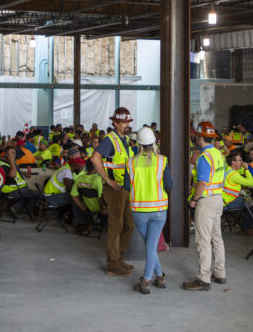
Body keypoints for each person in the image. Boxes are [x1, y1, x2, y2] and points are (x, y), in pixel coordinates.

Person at [125, 126, 173, 295]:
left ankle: (146, 280)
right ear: (154, 142)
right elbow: (170, 185)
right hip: (159, 210)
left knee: (150, 245)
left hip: (139, 210)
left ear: (137, 143)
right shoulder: (162, 160)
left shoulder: (130, 162)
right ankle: (159, 276)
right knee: (151, 246)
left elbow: (125, 186)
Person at [90, 107, 136, 276]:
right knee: (116, 226)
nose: (126, 125)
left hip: (125, 188)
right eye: (123, 122)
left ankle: (119, 258)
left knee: (129, 224)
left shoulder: (124, 140)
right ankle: (112, 264)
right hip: (114, 189)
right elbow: (95, 158)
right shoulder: (110, 140)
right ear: (115, 123)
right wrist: (108, 180)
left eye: (128, 122)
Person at [183, 121, 226, 292]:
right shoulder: (218, 154)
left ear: (200, 138)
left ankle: (203, 278)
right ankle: (220, 273)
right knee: (217, 237)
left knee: (203, 240)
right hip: (218, 199)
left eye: (196, 136)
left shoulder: (203, 158)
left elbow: (202, 183)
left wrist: (194, 200)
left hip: (206, 201)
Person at [221, 150, 253, 235]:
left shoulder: (227, 169)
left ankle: (245, 225)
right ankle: (246, 228)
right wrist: (247, 169)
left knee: (249, 199)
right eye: (239, 160)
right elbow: (250, 183)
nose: (242, 162)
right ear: (233, 162)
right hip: (227, 203)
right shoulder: (234, 174)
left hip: (224, 200)